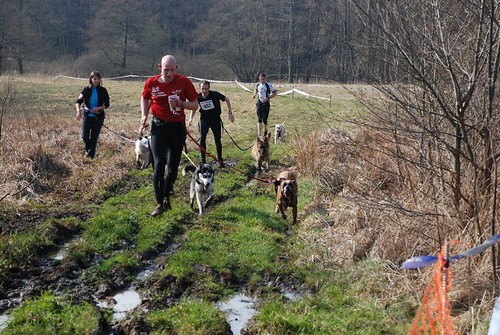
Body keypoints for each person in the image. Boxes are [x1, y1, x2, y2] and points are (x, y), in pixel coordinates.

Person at [139, 55, 199, 217]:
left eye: (172, 70)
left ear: (176, 68)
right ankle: (159, 204)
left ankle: (166, 197)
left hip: (177, 128)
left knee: (172, 170)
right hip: (158, 128)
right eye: (166, 70)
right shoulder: (151, 82)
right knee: (158, 166)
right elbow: (144, 98)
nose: (169, 73)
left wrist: (181, 104)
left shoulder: (183, 81)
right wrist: (144, 116)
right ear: (160, 67)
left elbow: (195, 104)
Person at [188, 80, 234, 167]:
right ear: (199, 88)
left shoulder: (215, 94)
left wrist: (230, 112)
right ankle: (203, 161)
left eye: (206, 89)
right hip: (204, 120)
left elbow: (227, 100)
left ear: (209, 88)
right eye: (202, 89)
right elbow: (194, 107)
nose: (204, 91)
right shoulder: (198, 96)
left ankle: (220, 160)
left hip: (215, 120)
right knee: (202, 139)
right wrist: (190, 118)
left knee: (217, 139)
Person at [75, 71, 110, 159]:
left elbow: (107, 104)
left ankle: (90, 157)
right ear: (91, 79)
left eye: (98, 79)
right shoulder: (86, 90)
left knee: (94, 138)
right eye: (95, 79)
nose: (96, 81)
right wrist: (78, 111)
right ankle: (88, 150)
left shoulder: (103, 90)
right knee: (84, 136)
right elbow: (78, 102)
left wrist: (98, 108)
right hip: (87, 116)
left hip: (98, 117)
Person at [252, 73, 277, 137]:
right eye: (261, 79)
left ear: (265, 78)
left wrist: (268, 98)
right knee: (259, 118)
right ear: (259, 79)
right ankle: (259, 135)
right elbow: (256, 89)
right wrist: (254, 94)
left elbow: (275, 93)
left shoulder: (268, 85)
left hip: (266, 104)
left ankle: (265, 131)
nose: (262, 80)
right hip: (259, 103)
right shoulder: (258, 84)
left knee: (264, 120)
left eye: (263, 79)